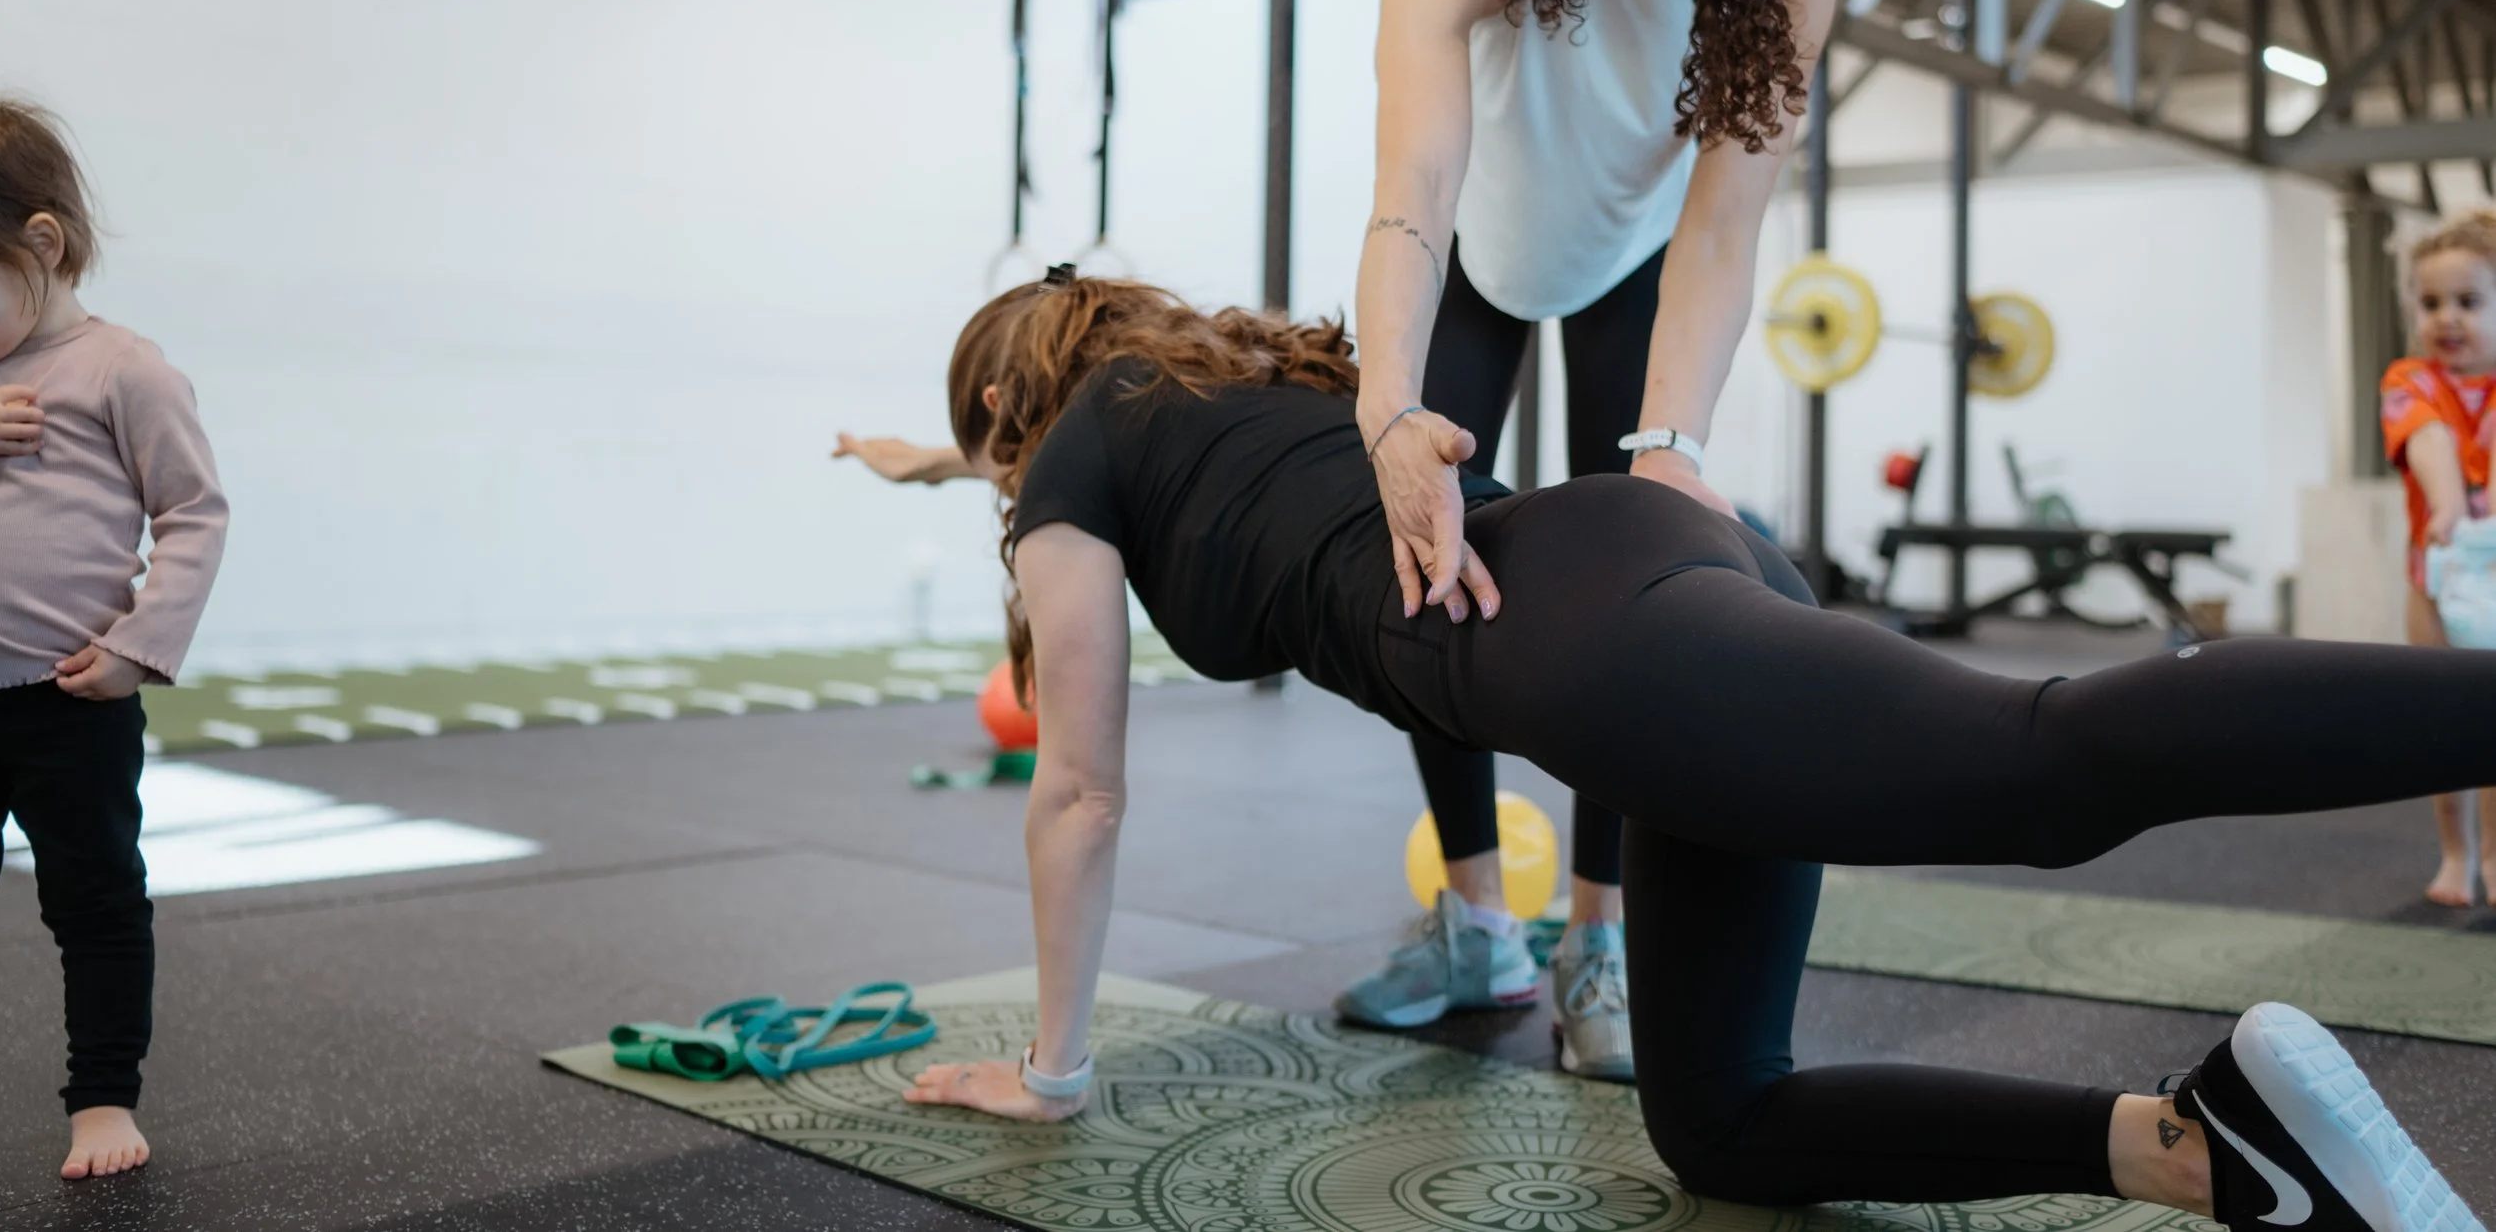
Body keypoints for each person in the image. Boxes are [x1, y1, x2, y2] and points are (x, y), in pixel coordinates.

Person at [900, 273, 2486, 1232]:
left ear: (1008, 416)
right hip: (1633, 578)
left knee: (2040, 761)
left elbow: (1085, 780)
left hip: (1603, 652)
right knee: (1720, 1123)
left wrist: (1051, 1071)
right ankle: (2211, 1152)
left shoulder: (1069, 473)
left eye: (989, 474)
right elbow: (1056, 475)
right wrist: (935, 461)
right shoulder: (1223, 390)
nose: (1002, 508)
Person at [1343, 0, 1842, 1078]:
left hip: (1636, 253)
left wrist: (1674, 448)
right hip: (1481, 247)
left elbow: (1724, 217)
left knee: (1639, 573)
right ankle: (1477, 923)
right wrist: (1382, 408)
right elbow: (1412, 187)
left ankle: (1598, 940)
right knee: (1435, 552)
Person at [0, 99, 229, 1181]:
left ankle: (100, 1093)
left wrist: (143, 643)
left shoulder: (121, 370)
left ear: (40, 246)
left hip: (69, 696)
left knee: (92, 897)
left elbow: (194, 511)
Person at [2379, 209, 2496, 906]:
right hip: (2435, 578)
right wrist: (2449, 506)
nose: (2447, 318)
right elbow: (2428, 440)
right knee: (2436, 722)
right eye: (2430, 303)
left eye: (2469, 302)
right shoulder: (2410, 378)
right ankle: (2456, 851)